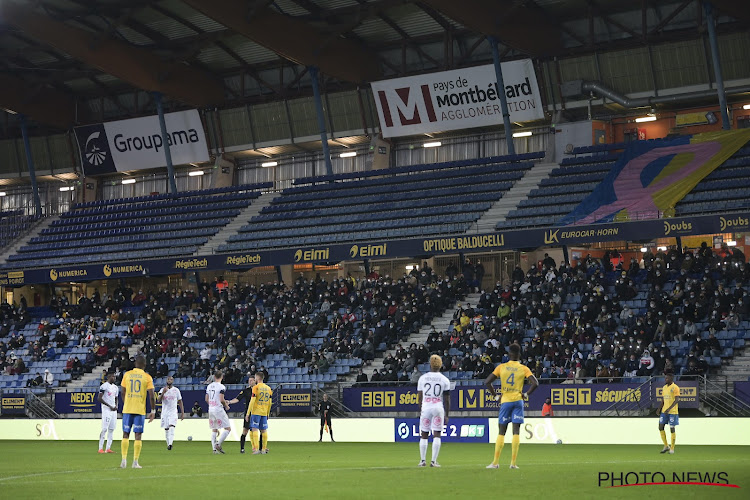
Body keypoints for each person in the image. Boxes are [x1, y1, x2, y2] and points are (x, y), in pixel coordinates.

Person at [485, 343, 539, 469]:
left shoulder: (501, 367)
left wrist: (496, 396)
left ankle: (495, 463)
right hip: (518, 401)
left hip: (506, 400)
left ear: (509, 354)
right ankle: (513, 464)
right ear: (519, 355)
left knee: (501, 432)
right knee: (516, 432)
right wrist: (526, 394)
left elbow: (487, 382)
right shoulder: (524, 368)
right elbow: (535, 383)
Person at [120, 355, 156, 469]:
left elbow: (122, 392)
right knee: (138, 435)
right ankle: (135, 462)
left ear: (135, 364)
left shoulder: (127, 374)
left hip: (127, 409)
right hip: (140, 410)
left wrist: (127, 403)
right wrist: (153, 410)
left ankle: (123, 460)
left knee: (125, 434)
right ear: (144, 365)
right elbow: (151, 396)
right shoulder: (147, 377)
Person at [416, 354, 451, 468]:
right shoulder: (444, 380)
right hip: (438, 407)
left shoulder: (423, 378)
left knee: (424, 434)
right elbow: (446, 399)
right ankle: (433, 461)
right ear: (440, 365)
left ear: (430, 364)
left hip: (426, 407)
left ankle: (422, 461)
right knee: (437, 435)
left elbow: (420, 397)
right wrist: (447, 414)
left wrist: (420, 409)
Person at [227, 377, 256, 453]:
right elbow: (238, 399)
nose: (249, 382)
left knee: (257, 430)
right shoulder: (246, 391)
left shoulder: (259, 389)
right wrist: (229, 402)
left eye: (251, 380)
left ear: (255, 381)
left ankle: (259, 448)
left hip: (257, 412)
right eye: (249, 380)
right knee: (245, 431)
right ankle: (242, 448)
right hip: (248, 413)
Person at [246, 371, 273, 455]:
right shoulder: (268, 388)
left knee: (254, 429)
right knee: (264, 430)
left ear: (257, 378)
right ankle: (264, 449)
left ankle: (256, 449)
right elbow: (270, 402)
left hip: (256, 411)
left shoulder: (256, 387)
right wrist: (268, 413)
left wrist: (248, 413)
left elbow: (252, 400)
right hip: (264, 412)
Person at [206, 371, 232, 454]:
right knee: (227, 428)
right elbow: (221, 399)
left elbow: (206, 399)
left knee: (214, 429)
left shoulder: (209, 386)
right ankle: (218, 444)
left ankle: (214, 450)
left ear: (214, 377)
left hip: (211, 409)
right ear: (222, 377)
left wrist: (212, 404)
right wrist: (226, 405)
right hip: (218, 409)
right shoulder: (221, 387)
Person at [157, 376, 184, 451]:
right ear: (166, 380)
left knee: (172, 427)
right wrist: (163, 393)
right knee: (166, 429)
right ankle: (168, 444)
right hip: (165, 412)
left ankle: (170, 444)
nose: (170, 380)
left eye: (171, 379)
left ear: (173, 381)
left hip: (173, 412)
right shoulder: (162, 389)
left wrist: (182, 412)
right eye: (168, 379)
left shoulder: (176, 390)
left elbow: (180, 401)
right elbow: (158, 400)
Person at [659, 371, 680, 455]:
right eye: (665, 378)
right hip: (664, 411)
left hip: (673, 412)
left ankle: (672, 448)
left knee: (672, 428)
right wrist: (659, 408)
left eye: (667, 378)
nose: (665, 379)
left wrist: (669, 408)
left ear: (671, 379)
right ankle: (666, 445)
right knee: (660, 427)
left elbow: (677, 399)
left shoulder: (675, 387)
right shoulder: (664, 387)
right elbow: (663, 399)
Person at [98, 372, 119, 454]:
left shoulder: (115, 387)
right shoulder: (104, 386)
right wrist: (109, 406)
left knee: (111, 429)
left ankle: (108, 448)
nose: (115, 378)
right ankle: (100, 448)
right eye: (113, 376)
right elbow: (99, 398)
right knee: (104, 429)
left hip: (114, 410)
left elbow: (116, 398)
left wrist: (116, 405)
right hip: (106, 410)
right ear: (109, 377)